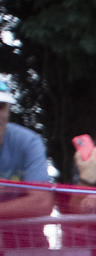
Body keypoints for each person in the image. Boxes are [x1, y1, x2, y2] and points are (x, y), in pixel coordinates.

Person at [0, 73, 53, 219]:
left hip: (25, 239)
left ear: (8, 110)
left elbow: (43, 202)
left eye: (1, 107)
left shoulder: (28, 141)